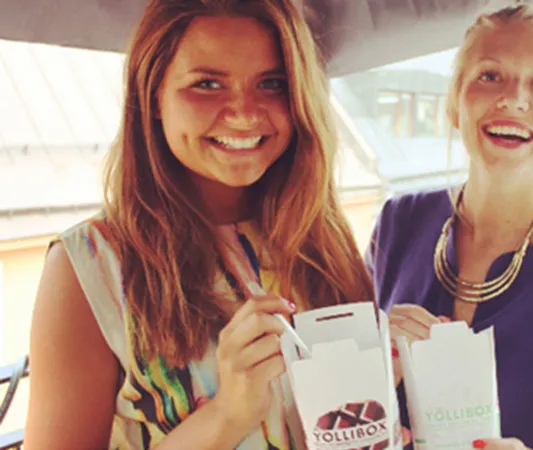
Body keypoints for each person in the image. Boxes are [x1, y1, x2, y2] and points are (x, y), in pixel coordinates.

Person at [24, 0, 375, 448]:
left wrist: (389, 380)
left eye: (272, 83)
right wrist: (227, 414)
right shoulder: (90, 265)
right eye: (207, 84)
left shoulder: (321, 236)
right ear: (152, 96)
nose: (245, 113)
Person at [365, 4, 533, 450]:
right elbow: (346, 396)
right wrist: (376, 362)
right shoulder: (398, 223)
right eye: (490, 75)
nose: (513, 99)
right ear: (454, 104)